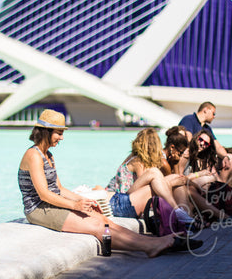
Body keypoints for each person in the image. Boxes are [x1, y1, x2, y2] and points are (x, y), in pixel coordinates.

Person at [18, 109, 202, 257]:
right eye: (58, 133)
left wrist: (84, 201)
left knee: (104, 220)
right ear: (46, 132)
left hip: (52, 204)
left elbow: (58, 189)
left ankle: (157, 242)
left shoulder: (48, 156)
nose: (61, 137)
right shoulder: (33, 155)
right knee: (98, 228)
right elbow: (44, 194)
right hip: (40, 209)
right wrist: (75, 205)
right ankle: (151, 246)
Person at [105, 128, 194, 224]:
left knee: (175, 179)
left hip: (126, 200)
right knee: (156, 173)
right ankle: (177, 211)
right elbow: (146, 188)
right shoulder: (137, 161)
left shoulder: (135, 158)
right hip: (124, 200)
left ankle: (184, 219)